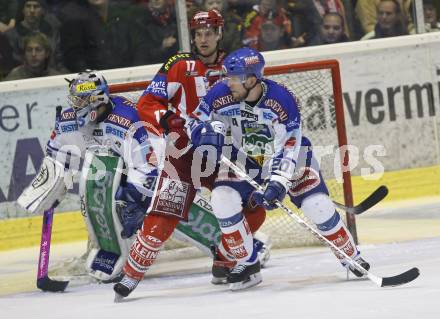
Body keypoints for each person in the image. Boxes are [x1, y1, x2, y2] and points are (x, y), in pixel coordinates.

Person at [113, 10, 269, 299]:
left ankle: (225, 257)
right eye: (198, 34)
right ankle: (132, 273)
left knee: (254, 206)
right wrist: (166, 121)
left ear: (219, 33)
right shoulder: (178, 65)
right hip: (183, 154)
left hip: (224, 154)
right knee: (163, 214)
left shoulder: (235, 64)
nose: (203, 38)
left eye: (209, 32)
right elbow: (148, 102)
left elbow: (255, 103)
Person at [188, 47, 370, 290]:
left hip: (289, 157)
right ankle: (247, 264)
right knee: (222, 198)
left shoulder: (281, 100)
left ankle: (351, 257)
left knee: (316, 205)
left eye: (234, 78)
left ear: (251, 79)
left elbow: (290, 146)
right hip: (243, 158)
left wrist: (278, 182)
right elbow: (195, 120)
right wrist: (202, 133)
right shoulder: (219, 94)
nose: (228, 83)